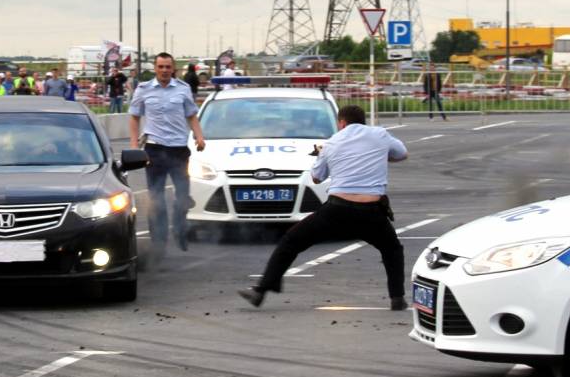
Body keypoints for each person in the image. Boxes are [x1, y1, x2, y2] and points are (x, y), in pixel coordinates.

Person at [240, 104, 409, 311]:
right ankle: (397, 298)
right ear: (363, 120)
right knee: (392, 250)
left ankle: (260, 291)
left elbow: (317, 177)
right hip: (371, 211)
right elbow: (401, 154)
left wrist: (323, 154)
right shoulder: (380, 135)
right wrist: (379, 155)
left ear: (342, 123)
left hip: (337, 210)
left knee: (291, 242)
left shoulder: (331, 143)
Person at [129, 52, 206, 256]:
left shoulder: (183, 88)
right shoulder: (144, 89)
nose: (164, 70)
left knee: (182, 196)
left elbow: (191, 116)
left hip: (179, 149)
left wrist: (199, 137)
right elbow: (134, 117)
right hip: (154, 149)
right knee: (156, 199)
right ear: (155, 68)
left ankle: (180, 229)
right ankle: (158, 243)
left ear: (173, 69)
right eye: (160, 67)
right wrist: (134, 144)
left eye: (167, 67)